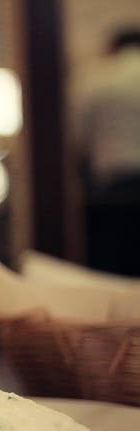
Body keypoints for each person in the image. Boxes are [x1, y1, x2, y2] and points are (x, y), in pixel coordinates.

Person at [74, 28, 140, 276]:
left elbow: (79, 138)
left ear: (113, 48)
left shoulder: (98, 79)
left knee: (114, 269)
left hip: (113, 189)